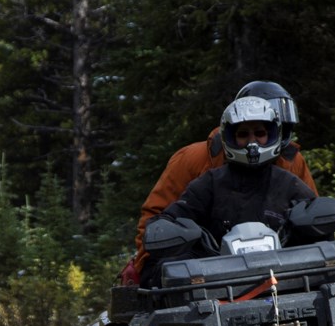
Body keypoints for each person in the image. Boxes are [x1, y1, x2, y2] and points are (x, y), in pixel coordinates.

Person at [122, 81, 318, 284]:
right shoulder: (193, 160)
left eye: (261, 132)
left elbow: (313, 214)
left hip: (282, 262)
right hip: (207, 264)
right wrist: (151, 264)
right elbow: (157, 216)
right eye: (244, 133)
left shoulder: (291, 161)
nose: (253, 142)